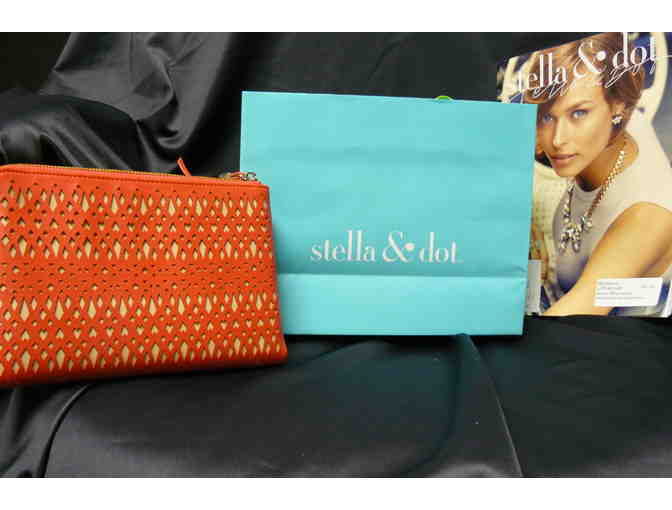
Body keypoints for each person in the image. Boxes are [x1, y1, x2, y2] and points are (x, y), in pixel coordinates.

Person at [524, 32, 672, 316]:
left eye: (578, 113)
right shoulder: (625, 126)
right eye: (547, 116)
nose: (557, 139)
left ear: (619, 105)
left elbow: (569, 318)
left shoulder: (647, 217)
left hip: (614, 340)